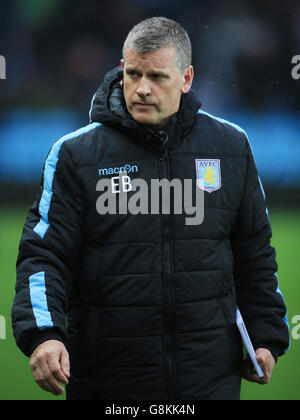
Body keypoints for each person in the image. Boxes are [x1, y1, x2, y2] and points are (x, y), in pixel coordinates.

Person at [12, 17, 289, 401]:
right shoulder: (75, 155)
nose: (142, 89)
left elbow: (254, 254)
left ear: (186, 79)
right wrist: (44, 334)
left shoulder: (230, 147)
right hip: (106, 380)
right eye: (133, 74)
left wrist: (267, 337)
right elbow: (44, 254)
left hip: (209, 379)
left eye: (157, 77)